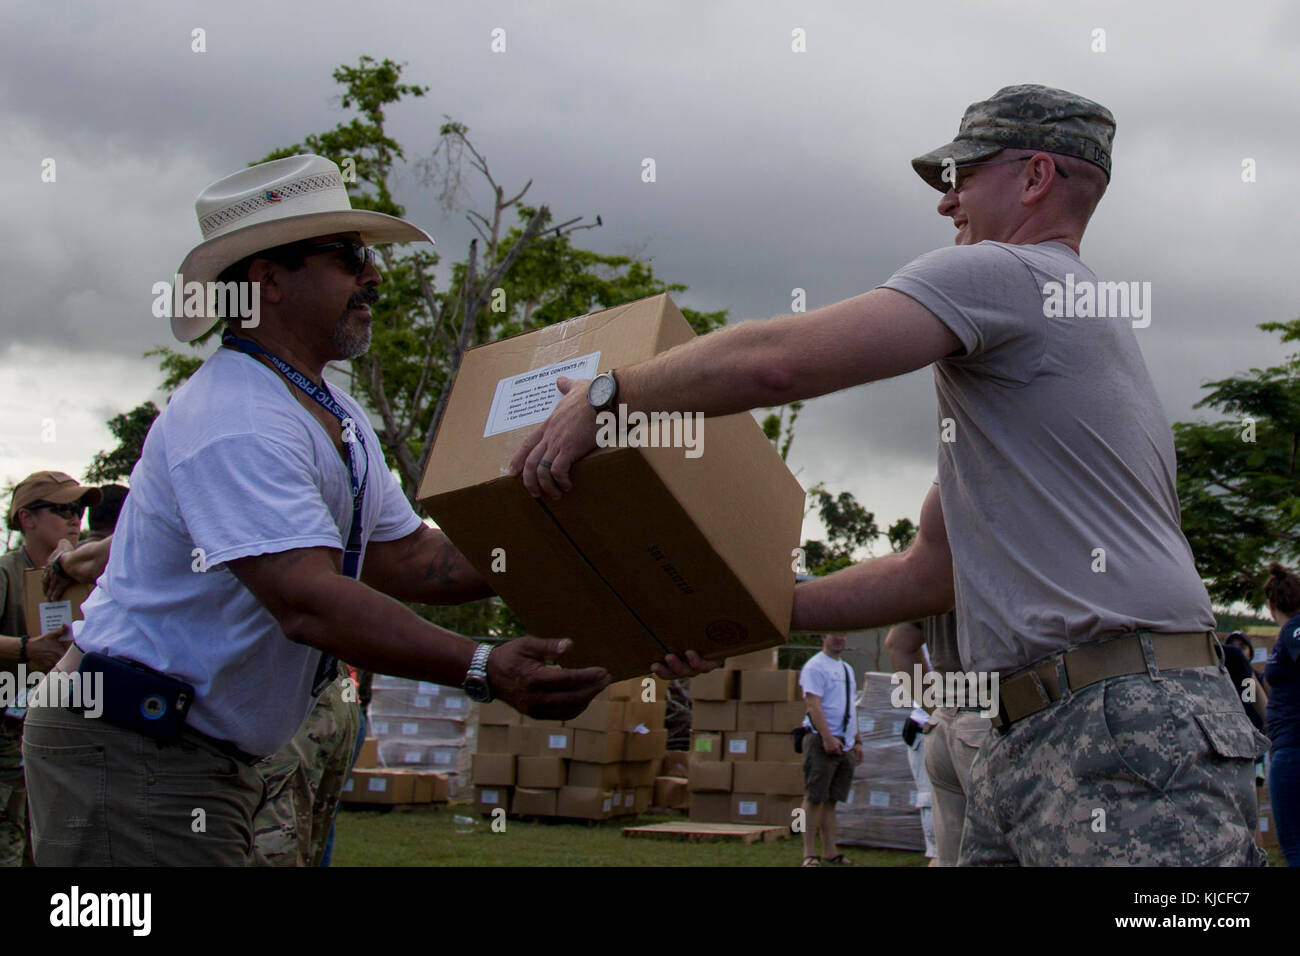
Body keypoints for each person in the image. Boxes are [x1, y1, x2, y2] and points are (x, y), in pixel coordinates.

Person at [512, 85, 1268, 865]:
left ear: (1036, 177)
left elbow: (777, 365)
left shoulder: (1009, 275)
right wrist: (736, 614)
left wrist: (610, 398)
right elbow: (933, 572)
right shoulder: (1068, 340)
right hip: (1047, 728)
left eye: (961, 177)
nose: (947, 205)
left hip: (1118, 726)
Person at [22, 154, 704, 866]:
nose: (373, 275)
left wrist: (603, 547)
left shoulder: (331, 411)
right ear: (267, 279)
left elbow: (414, 560)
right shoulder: (236, 417)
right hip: (131, 752)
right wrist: (482, 665)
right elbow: (308, 602)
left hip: (188, 752)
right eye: (349, 256)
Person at [0, 471, 98, 866]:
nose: (76, 519)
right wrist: (25, 650)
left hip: (70, 735)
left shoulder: (90, 575)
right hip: (8, 741)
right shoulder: (7, 572)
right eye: (62, 509)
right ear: (27, 519)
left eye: (79, 509)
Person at [886, 609, 986, 867]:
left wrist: (939, 709)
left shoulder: (933, 575)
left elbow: (897, 644)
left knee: (948, 857)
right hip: (989, 722)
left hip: (946, 728)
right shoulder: (1002, 568)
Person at [797, 633, 862, 866]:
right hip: (821, 740)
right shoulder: (815, 666)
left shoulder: (847, 669)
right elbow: (813, 705)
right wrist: (826, 737)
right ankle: (808, 853)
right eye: (834, 635)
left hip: (844, 744)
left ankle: (830, 851)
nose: (839, 639)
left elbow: (850, 707)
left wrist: (857, 740)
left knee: (832, 799)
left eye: (843, 635)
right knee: (814, 797)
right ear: (823, 636)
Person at [1263, 562, 1300, 865]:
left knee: (1295, 844)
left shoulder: (1295, 629)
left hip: (1295, 748)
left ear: (1271, 604)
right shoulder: (1289, 633)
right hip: (1286, 744)